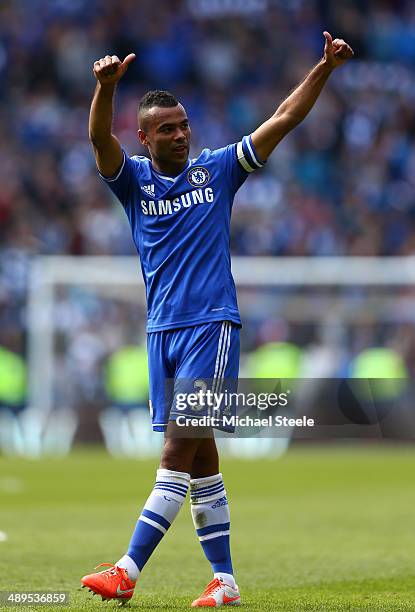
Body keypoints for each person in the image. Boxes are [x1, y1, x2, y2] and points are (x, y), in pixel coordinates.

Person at [81, 31, 353, 607]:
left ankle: (127, 569)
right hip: (162, 332)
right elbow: (98, 138)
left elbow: (282, 119)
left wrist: (324, 69)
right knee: (202, 459)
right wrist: (104, 89)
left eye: (184, 125)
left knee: (177, 451)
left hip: (211, 325)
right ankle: (225, 582)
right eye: (167, 129)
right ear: (145, 137)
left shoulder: (217, 172)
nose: (181, 135)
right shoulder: (133, 182)